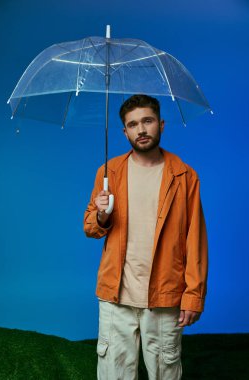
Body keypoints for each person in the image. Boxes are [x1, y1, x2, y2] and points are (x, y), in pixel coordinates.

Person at [83, 94, 208, 380]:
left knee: (165, 373)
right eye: (132, 124)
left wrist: (193, 297)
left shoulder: (185, 176)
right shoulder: (108, 172)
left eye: (147, 121)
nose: (141, 130)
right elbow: (90, 227)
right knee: (114, 374)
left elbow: (196, 240)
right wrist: (101, 214)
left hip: (165, 298)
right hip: (116, 298)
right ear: (124, 131)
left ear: (161, 125)